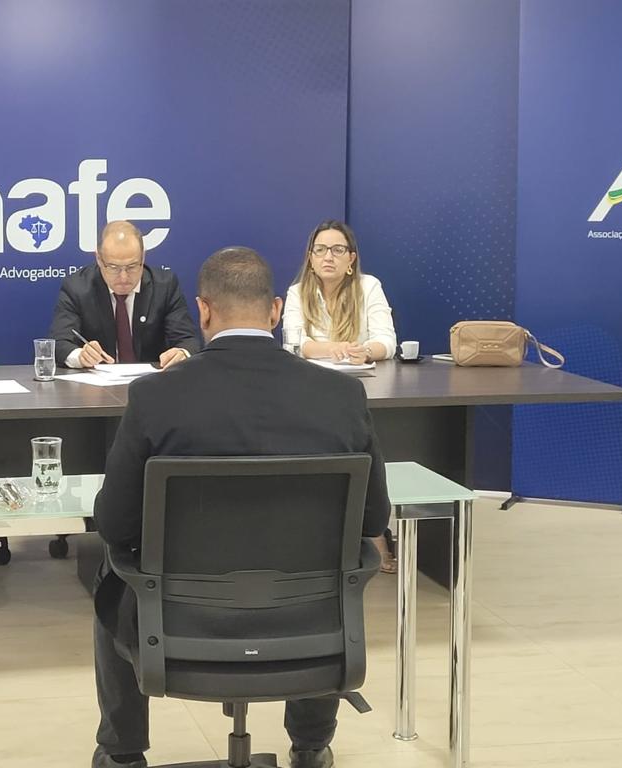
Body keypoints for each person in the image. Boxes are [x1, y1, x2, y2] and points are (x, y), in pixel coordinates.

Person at [90, 247, 391, 768]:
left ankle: (122, 753)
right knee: (333, 567)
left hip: (179, 630)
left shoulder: (154, 398)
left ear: (203, 311)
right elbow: (372, 520)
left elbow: (115, 525)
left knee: (110, 573)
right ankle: (311, 746)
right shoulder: (341, 397)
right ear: (274, 311)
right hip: (310, 629)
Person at [282, 220, 398, 574]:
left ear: (351, 258)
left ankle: (374, 531)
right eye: (320, 250)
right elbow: (292, 343)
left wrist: (365, 351)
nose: (328, 257)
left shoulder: (368, 286)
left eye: (337, 250)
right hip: (311, 392)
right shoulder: (297, 292)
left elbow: (387, 341)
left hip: (359, 389)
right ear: (310, 258)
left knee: (367, 443)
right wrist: (334, 348)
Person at [49, 220, 201, 369]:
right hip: (98, 383)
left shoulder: (164, 286)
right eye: (113, 267)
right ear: (99, 259)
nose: (123, 278)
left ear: (143, 257)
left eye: (132, 266)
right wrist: (80, 356)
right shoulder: (78, 288)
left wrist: (182, 353)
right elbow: (59, 343)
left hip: (151, 381)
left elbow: (188, 341)